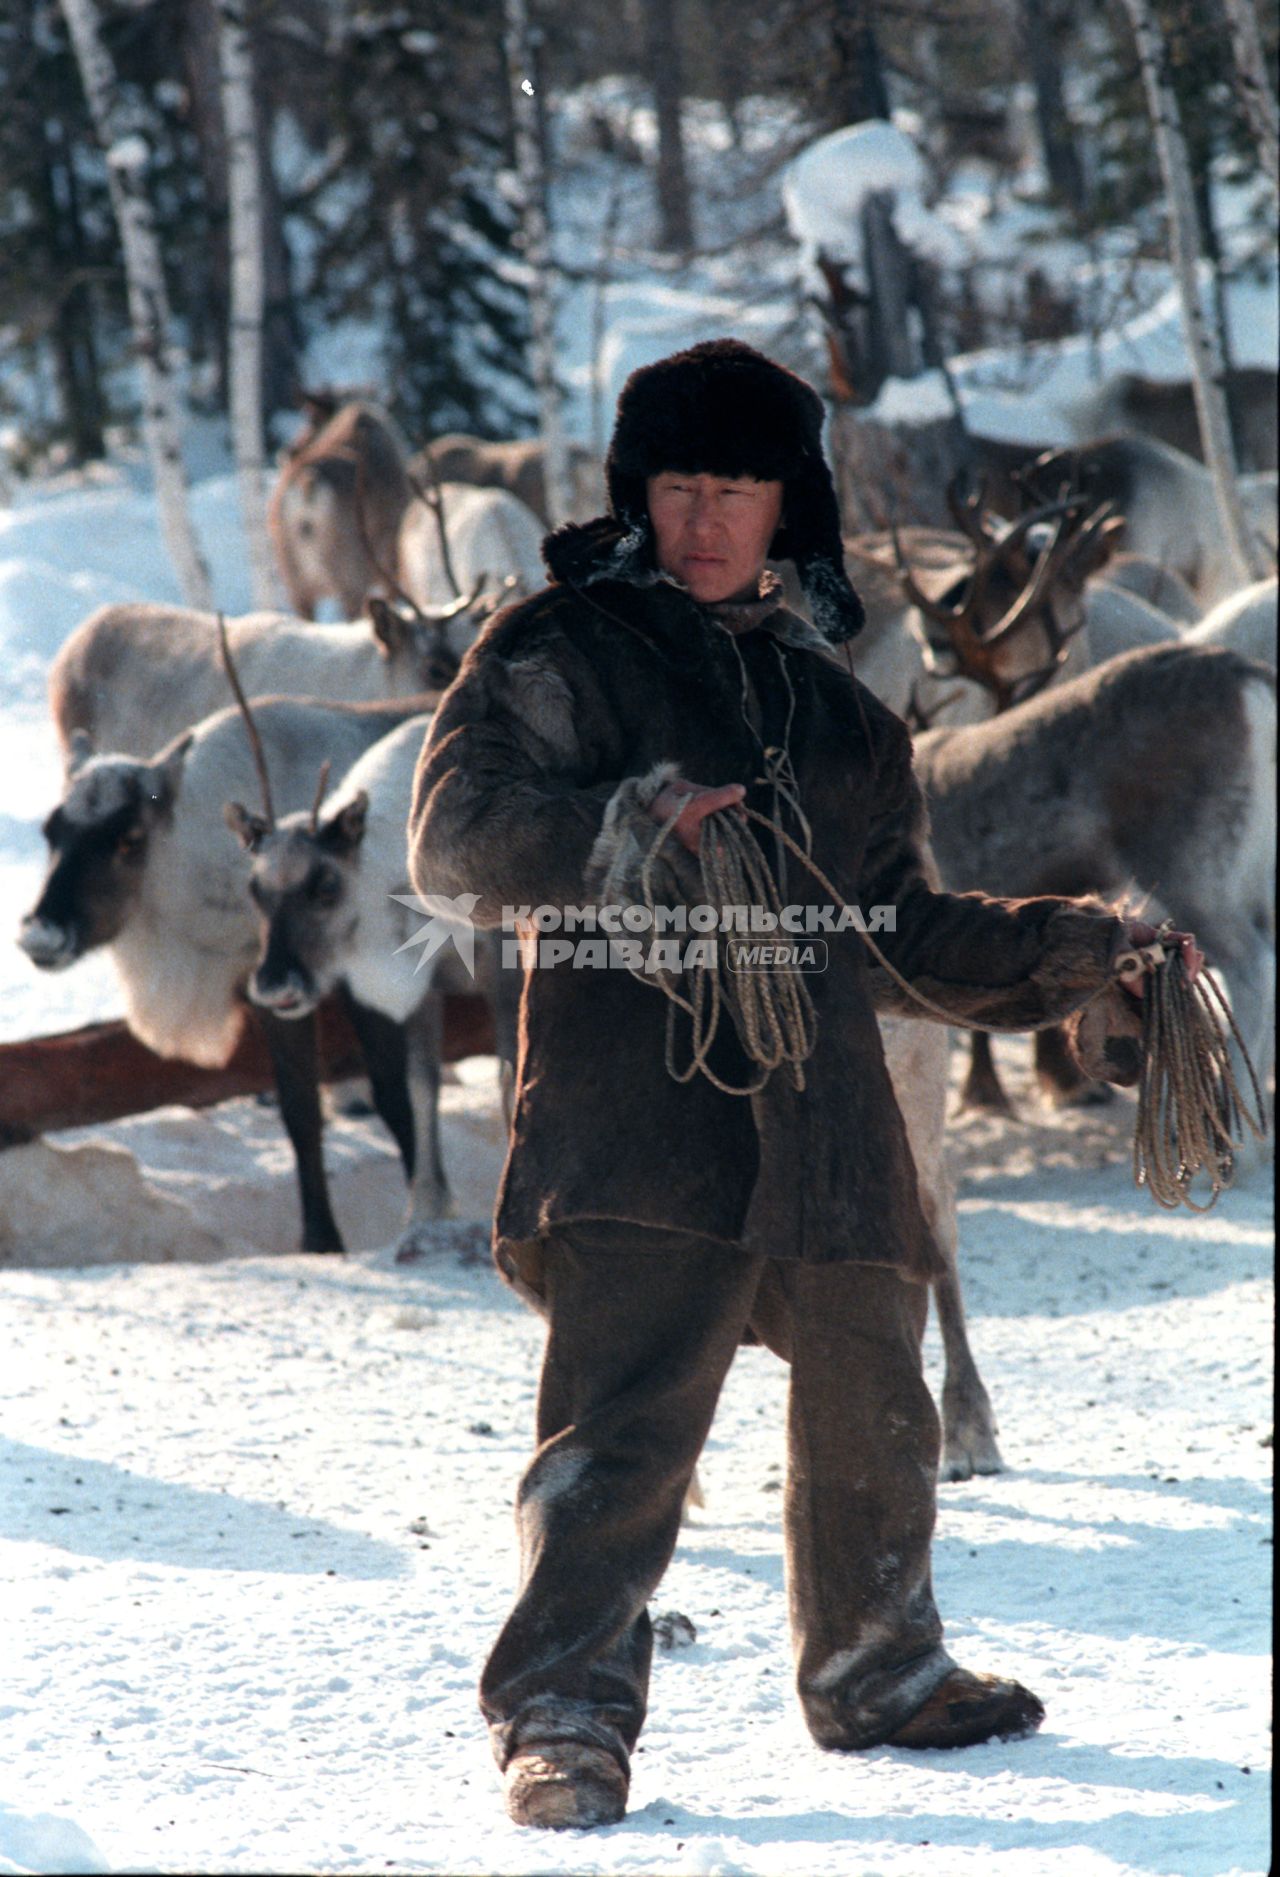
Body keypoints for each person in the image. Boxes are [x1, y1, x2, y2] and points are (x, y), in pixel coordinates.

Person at [407, 338, 1195, 1831]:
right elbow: (453, 842)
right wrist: (630, 824)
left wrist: (1082, 951)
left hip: (825, 1115)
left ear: (791, 508)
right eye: (679, 485)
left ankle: (877, 1663)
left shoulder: (837, 714)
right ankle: (567, 1710)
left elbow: (897, 927)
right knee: (622, 1428)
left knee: (874, 1397)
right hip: (637, 1108)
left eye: (739, 488)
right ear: (638, 493)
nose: (704, 519)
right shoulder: (560, 647)